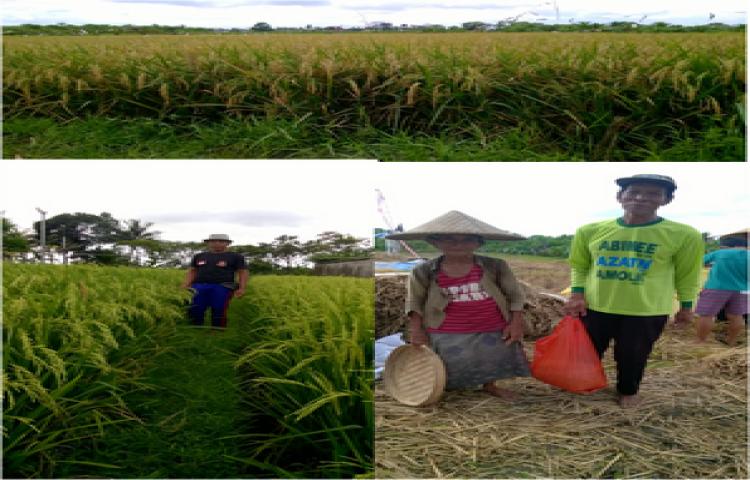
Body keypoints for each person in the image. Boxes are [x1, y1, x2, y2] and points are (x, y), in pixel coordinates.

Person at [565, 174, 703, 408]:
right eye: (634, 191)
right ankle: (586, 383)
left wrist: (687, 307)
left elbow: (688, 274)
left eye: (653, 194)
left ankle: (627, 390)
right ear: (620, 196)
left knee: (633, 355)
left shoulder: (684, 234)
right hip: (597, 305)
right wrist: (577, 295)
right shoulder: (590, 230)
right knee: (588, 351)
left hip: (646, 309)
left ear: (666, 200)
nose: (641, 198)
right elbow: (580, 264)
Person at [387, 210, 529, 400]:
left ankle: (490, 385)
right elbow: (415, 302)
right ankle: (440, 386)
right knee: (448, 363)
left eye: (466, 240)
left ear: (479, 242)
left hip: (491, 322)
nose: (458, 245)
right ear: (434, 242)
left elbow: (515, 294)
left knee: (491, 357)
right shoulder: (424, 271)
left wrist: (516, 322)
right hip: (447, 326)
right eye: (450, 240)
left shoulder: (495, 266)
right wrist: (416, 329)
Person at [182, 234, 248, 329]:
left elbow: (242, 272)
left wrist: (242, 288)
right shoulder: (199, 256)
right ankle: (195, 328)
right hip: (199, 286)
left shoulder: (236, 257)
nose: (216, 243)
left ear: (227, 243)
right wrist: (185, 285)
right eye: (213, 241)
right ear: (208, 243)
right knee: (195, 307)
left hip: (223, 286)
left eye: (221, 241)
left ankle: (217, 330)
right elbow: (192, 271)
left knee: (219, 308)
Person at [695, 233, 749, 346]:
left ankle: (700, 342)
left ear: (728, 246)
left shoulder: (720, 253)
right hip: (742, 290)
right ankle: (731, 341)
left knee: (707, 315)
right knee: (737, 316)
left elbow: (697, 263)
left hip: (716, 288)